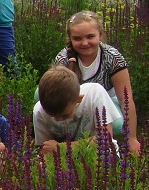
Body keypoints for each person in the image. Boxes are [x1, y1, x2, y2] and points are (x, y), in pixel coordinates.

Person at [53, 10, 141, 153]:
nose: (85, 43)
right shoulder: (63, 58)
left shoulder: (112, 57)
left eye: (90, 37)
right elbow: (56, 95)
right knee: (40, 95)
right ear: (70, 38)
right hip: (73, 103)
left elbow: (126, 98)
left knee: (117, 123)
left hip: (106, 103)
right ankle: (73, 139)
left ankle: (96, 140)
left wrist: (132, 138)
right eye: (77, 38)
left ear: (100, 34)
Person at [34, 65, 121, 156]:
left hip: (100, 155)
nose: (58, 119)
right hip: (64, 160)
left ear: (79, 99)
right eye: (52, 115)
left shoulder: (94, 94)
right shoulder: (39, 110)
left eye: (65, 115)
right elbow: (46, 148)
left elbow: (105, 138)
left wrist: (63, 147)